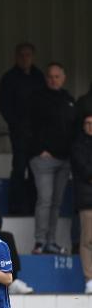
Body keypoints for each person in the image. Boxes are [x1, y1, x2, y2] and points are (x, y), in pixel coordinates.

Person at [28, 62, 75, 255]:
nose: (53, 80)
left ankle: (51, 241)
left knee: (56, 203)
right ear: (45, 78)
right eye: (50, 76)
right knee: (45, 200)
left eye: (57, 76)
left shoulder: (69, 99)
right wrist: (39, 149)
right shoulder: (36, 98)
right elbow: (27, 127)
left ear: (63, 78)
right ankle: (40, 242)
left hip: (64, 160)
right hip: (44, 160)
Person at [0, 43, 45, 215]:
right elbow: (4, 106)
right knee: (19, 168)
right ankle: (16, 208)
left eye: (28, 55)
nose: (25, 58)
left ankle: (33, 207)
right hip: (19, 133)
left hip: (37, 134)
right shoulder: (9, 78)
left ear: (33, 57)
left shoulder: (39, 77)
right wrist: (17, 125)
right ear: (16, 57)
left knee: (35, 170)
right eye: (22, 55)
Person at [70, 115, 92, 294]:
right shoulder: (78, 145)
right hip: (87, 200)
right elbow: (85, 170)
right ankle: (89, 279)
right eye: (88, 123)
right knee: (88, 241)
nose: (91, 126)